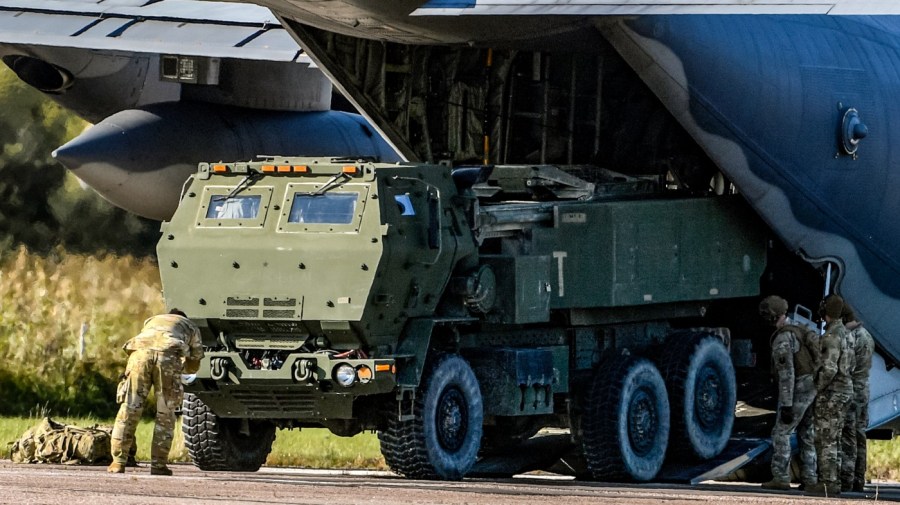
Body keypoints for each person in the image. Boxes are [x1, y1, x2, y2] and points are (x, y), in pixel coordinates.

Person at [107, 309, 204, 476]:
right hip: (168, 357)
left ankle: (118, 462)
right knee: (165, 413)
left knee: (129, 408)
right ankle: (158, 465)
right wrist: (184, 370)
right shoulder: (190, 326)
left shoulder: (152, 320)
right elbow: (195, 360)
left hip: (139, 356)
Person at [758, 295, 820, 491]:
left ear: (771, 316)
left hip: (800, 387)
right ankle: (810, 479)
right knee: (806, 433)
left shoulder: (783, 338)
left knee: (781, 432)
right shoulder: (800, 329)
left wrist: (786, 404)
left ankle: (781, 477)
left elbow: (787, 375)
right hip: (813, 386)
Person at [806, 295, 854, 497]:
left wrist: (817, 386)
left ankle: (828, 483)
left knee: (826, 438)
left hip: (832, 392)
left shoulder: (831, 336)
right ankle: (836, 481)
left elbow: (829, 368)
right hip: (845, 390)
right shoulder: (848, 334)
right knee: (835, 437)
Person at [840, 304, 874, 492]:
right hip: (864, 387)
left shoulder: (850, 337)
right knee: (860, 434)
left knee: (848, 434)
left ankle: (847, 477)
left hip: (852, 388)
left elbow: (846, 366)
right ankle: (859, 478)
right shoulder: (867, 336)